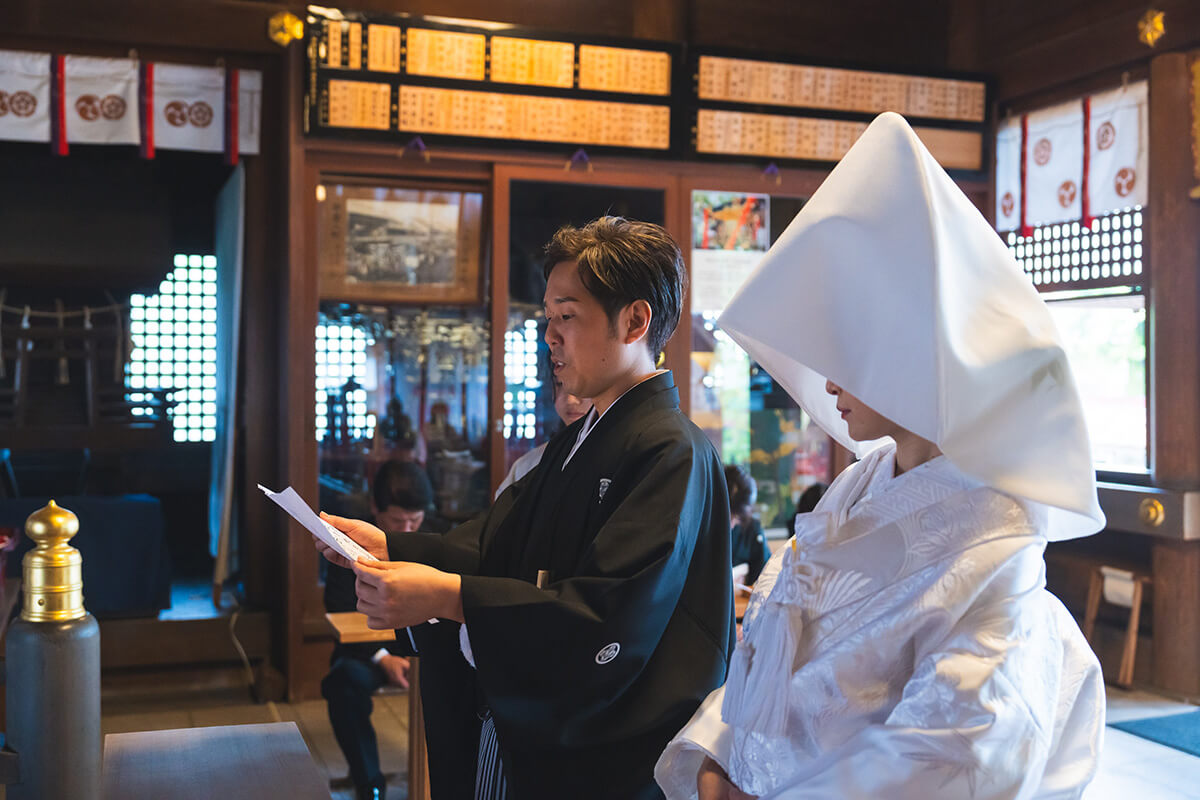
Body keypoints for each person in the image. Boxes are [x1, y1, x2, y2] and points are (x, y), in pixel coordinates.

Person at [655, 112, 1106, 799]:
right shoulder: (854, 489)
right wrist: (718, 758)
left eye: (848, 350)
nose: (827, 377)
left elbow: (955, 758)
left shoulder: (995, 541)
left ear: (915, 354)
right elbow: (764, 663)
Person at [316, 217, 734, 800]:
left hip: (605, 755)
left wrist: (447, 596)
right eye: (548, 318)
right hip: (533, 731)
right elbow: (496, 539)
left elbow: (608, 614)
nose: (549, 336)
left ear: (635, 321)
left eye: (567, 316)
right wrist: (392, 547)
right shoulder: (583, 434)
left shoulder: (671, 450)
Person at [321, 460, 443, 800]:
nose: (406, 529)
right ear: (375, 509)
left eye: (414, 520)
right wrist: (383, 658)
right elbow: (339, 607)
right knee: (342, 682)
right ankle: (370, 784)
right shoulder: (349, 542)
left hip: (430, 648)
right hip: (370, 652)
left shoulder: (440, 537)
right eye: (396, 521)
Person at [494, 377, 590, 499]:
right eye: (560, 384)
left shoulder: (616, 460)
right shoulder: (529, 464)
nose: (570, 399)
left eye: (584, 384)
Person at [725, 465, 769, 584]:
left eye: (736, 517)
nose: (731, 525)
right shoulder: (703, 529)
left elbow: (766, 573)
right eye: (728, 515)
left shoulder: (752, 528)